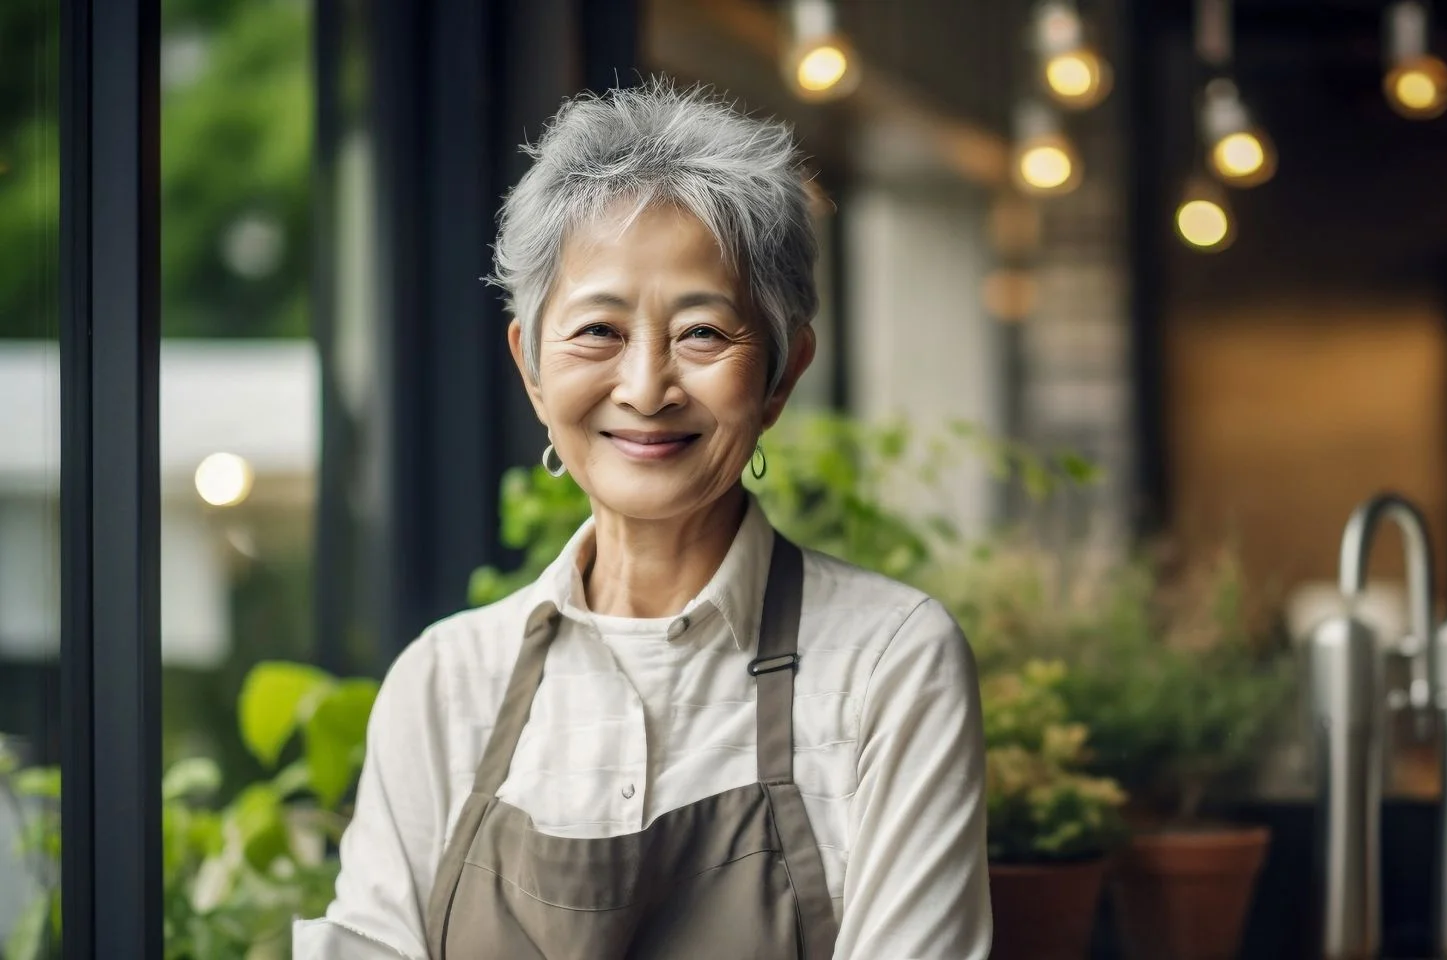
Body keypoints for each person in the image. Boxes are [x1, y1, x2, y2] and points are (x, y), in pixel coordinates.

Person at [292, 80, 991, 960]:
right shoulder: (444, 685)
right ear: (531, 367)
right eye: (598, 332)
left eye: (703, 332)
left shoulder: (890, 664)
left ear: (782, 373)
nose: (646, 386)